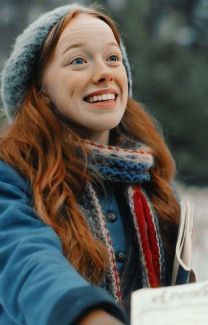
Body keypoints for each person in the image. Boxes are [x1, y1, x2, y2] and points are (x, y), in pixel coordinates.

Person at [0, 3, 192, 325]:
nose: (104, 72)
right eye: (78, 60)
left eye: (113, 58)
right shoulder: (12, 174)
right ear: (41, 90)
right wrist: (86, 315)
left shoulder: (150, 177)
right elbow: (23, 258)